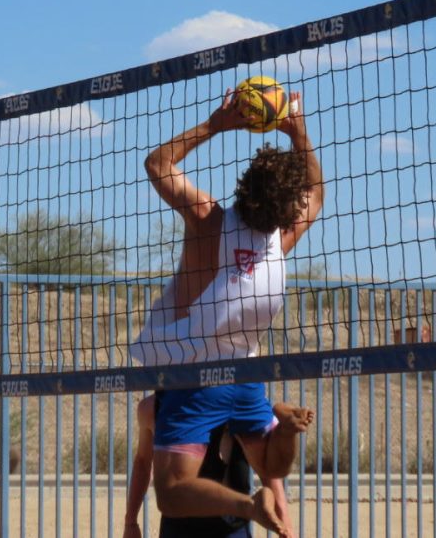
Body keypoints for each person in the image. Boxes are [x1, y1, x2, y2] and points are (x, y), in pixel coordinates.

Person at [130, 88, 324, 536]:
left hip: (195, 378)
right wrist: (299, 132)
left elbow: (157, 165)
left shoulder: (209, 220)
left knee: (174, 492)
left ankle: (249, 505)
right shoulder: (280, 243)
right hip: (246, 378)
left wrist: (215, 125)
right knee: (270, 463)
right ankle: (286, 432)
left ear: (244, 186)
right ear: (284, 208)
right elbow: (315, 195)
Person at [123, 393, 295, 538]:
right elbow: (143, 463)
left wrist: (286, 526)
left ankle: (285, 430)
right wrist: (130, 522)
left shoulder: (237, 406)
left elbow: (268, 474)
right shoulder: (152, 407)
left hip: (228, 527)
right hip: (182, 525)